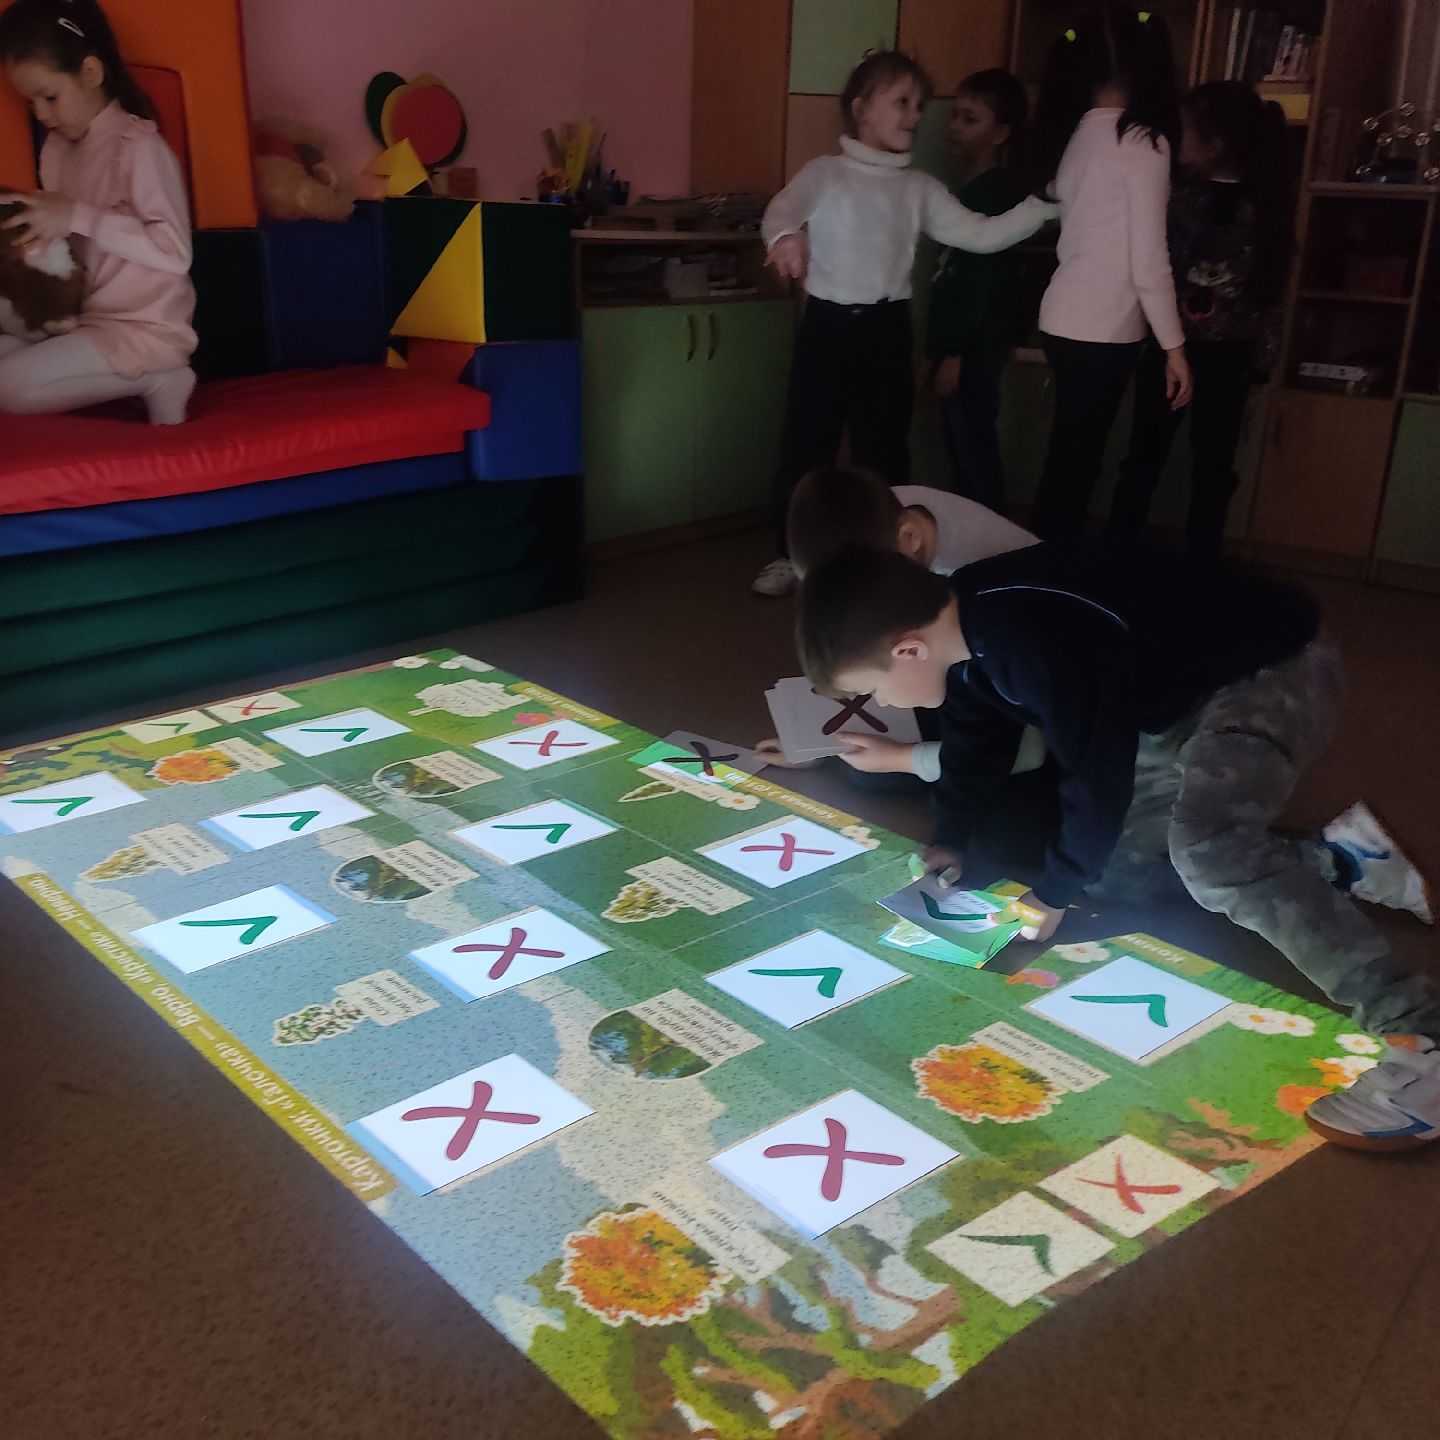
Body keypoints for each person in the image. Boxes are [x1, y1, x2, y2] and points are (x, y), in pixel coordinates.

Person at [795, 542, 1440, 1151]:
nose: (879, 704)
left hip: (1269, 672)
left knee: (1209, 851)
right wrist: (952, 840)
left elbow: (1095, 774)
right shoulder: (963, 638)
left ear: (908, 650)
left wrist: (1055, 890)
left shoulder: (1025, 636)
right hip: (1169, 700)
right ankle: (1342, 860)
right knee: (1118, 878)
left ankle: (1419, 1030)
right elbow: (975, 744)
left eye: (872, 690)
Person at [751, 50, 1057, 597]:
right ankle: (789, 555)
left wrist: (1046, 205)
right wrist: (786, 237)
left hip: (888, 331)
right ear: (862, 108)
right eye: (903, 102)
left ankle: (883, 559)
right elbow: (781, 210)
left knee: (885, 452)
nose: (916, 115)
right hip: (826, 328)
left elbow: (981, 234)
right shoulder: (824, 173)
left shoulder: (918, 187)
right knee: (806, 445)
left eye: (919, 105)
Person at [757, 466, 1044, 783]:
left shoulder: (973, 594)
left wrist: (900, 759)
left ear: (909, 538)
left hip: (1026, 710)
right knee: (865, 748)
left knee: (874, 772)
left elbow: (1016, 750)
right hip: (956, 671)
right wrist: (813, 743)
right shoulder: (880, 517)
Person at [1109, 82, 1294, 559]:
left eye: (1186, 131)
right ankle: (1198, 561)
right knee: (1208, 464)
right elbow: (1270, 299)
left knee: (1150, 457)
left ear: (1215, 145)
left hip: (1179, 349)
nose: (1177, 139)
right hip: (1221, 354)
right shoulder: (1265, 205)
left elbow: (1157, 267)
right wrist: (1262, 360)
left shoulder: (1186, 201)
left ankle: (1120, 554)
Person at [1028, 5, 1192, 538]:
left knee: (1068, 458)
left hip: (1062, 318)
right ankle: (1049, 569)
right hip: (1104, 329)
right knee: (1078, 463)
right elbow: (1149, 261)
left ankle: (1044, 563)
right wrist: (1174, 347)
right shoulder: (1145, 143)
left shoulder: (1077, 134)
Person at [0, 0, 197, 423]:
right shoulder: (57, 151)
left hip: (144, 331)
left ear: (90, 73)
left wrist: (75, 215)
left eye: (50, 97)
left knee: (8, 388)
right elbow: (66, 245)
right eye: (31, 103)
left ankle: (160, 379)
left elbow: (175, 253)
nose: (41, 115)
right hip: (85, 322)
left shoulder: (138, 146)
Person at [927, 68, 1032, 511]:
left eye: (970, 119)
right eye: (954, 115)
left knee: (974, 451)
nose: (954, 127)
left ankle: (992, 542)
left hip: (974, 347)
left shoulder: (994, 194)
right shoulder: (968, 190)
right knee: (964, 448)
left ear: (1001, 133)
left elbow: (981, 280)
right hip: (963, 344)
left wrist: (954, 353)